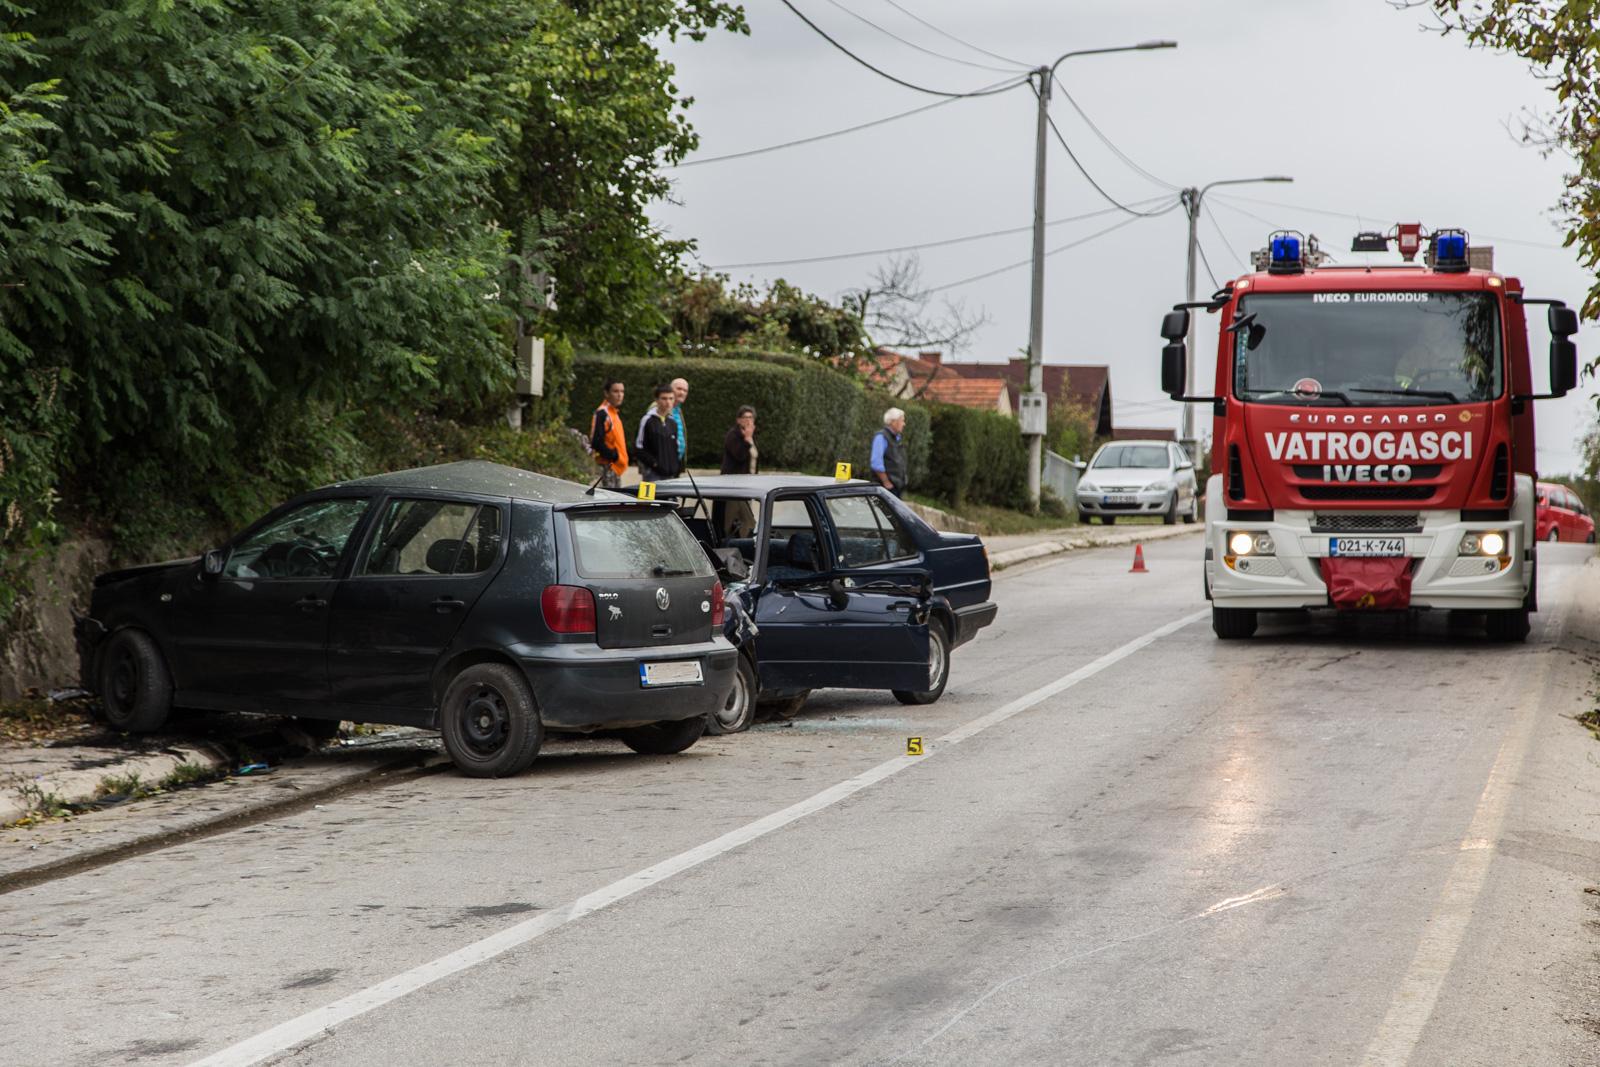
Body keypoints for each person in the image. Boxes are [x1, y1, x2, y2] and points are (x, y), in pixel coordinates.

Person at [588, 379, 628, 490]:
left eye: (622, 391)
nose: (620, 395)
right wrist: (613, 455)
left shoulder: (613, 413)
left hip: (614, 467)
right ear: (606, 393)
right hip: (608, 466)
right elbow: (596, 441)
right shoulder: (603, 413)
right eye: (616, 391)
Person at [638, 382, 681, 482]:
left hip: (670, 475)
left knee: (670, 498)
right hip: (651, 474)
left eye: (671, 398)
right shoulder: (647, 420)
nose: (668, 402)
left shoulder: (673, 422)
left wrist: (674, 467)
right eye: (664, 398)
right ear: (656, 400)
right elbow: (639, 448)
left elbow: (676, 448)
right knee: (647, 498)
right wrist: (654, 464)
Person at [870, 407, 908, 497]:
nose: (904, 424)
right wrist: (886, 483)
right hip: (886, 488)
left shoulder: (897, 438)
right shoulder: (881, 437)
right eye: (902, 421)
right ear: (893, 422)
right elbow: (876, 463)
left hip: (896, 487)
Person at [721, 405, 758, 474]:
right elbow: (740, 456)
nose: (748, 420)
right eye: (745, 417)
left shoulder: (751, 435)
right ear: (738, 420)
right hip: (732, 480)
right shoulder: (732, 435)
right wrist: (747, 440)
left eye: (750, 417)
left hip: (750, 480)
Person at [670, 377, 689, 467]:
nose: (682, 393)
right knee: (651, 482)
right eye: (679, 389)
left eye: (685, 390)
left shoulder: (678, 409)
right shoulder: (658, 408)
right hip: (659, 468)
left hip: (674, 464)